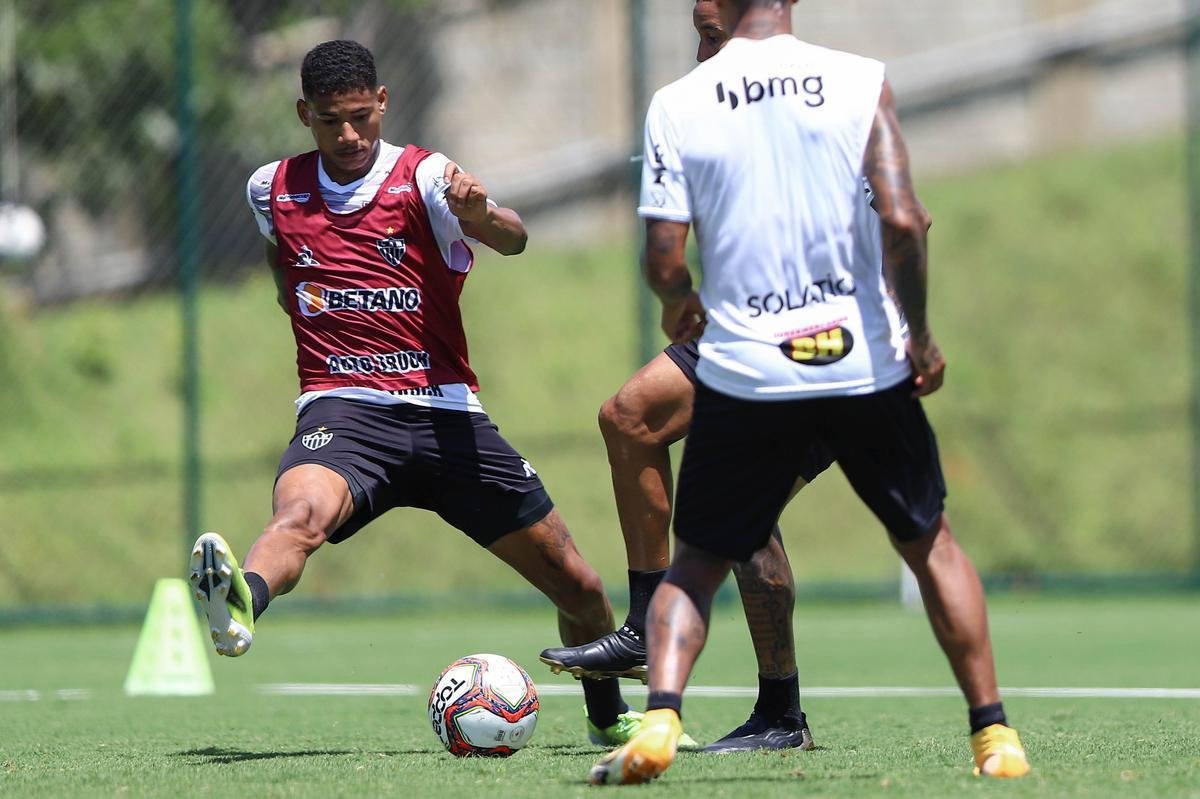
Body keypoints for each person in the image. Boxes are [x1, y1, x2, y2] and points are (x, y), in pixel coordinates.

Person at [589, 0, 1030, 784]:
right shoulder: (861, 82)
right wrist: (920, 337)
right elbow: (904, 219)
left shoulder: (681, 101)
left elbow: (662, 257)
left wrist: (676, 300)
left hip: (748, 364)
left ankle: (660, 714)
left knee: (694, 562)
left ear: (719, 10)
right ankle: (994, 734)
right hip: (860, 359)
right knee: (931, 545)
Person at [187, 39, 643, 748]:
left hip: (445, 416)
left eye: (361, 118)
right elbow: (287, 279)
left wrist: (480, 212)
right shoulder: (269, 189)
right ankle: (243, 599)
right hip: (343, 411)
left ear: (383, 104)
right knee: (301, 514)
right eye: (331, 120)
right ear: (304, 112)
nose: (348, 135)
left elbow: (515, 238)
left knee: (580, 586)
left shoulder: (426, 177)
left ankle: (608, 715)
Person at [539, 0, 822, 755]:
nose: (704, 56)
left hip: (823, 339)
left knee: (741, 513)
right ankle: (641, 623)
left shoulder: (821, 100)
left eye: (711, 37)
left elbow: (900, 220)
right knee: (629, 415)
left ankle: (782, 713)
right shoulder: (702, 109)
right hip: (740, 327)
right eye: (697, 36)